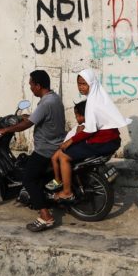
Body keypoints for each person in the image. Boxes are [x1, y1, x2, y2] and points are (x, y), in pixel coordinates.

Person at [0, 70, 65, 232]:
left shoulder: (45, 103)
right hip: (56, 146)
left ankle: (45, 216)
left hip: (45, 150)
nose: (31, 88)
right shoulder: (55, 99)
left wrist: (7, 130)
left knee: (28, 179)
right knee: (38, 179)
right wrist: (27, 116)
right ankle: (43, 199)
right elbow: (40, 118)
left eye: (31, 85)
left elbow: (27, 125)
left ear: (38, 85)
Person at [52, 69, 131, 202]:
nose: (81, 87)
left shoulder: (92, 103)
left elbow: (90, 130)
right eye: (79, 83)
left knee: (63, 156)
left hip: (102, 142)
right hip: (112, 140)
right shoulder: (100, 97)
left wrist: (70, 141)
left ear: (92, 84)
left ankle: (66, 191)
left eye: (84, 84)